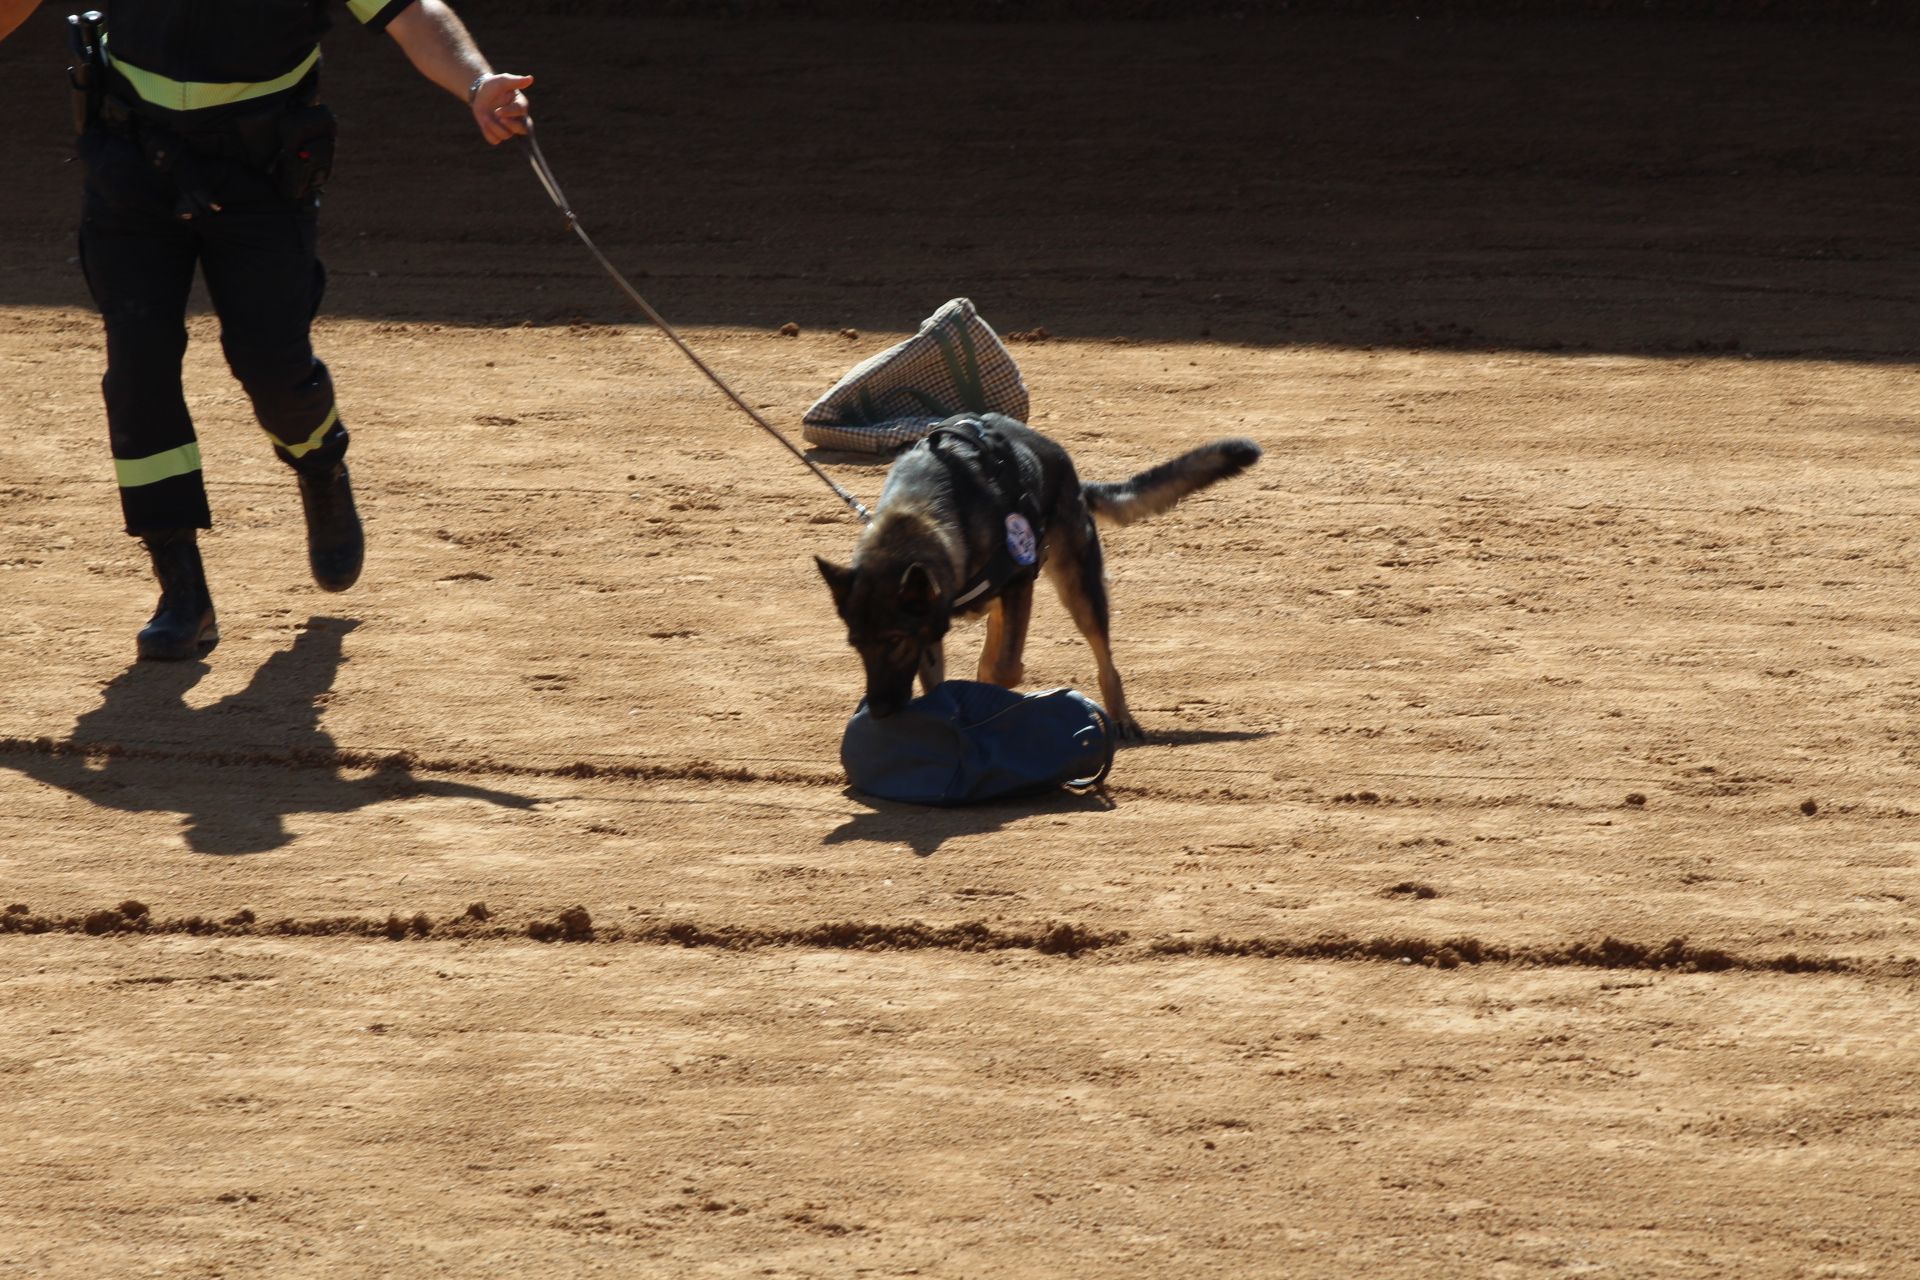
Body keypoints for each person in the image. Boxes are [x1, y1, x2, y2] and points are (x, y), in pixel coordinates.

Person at [0, 0, 532, 660]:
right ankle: (181, 593)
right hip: (132, 162)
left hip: (260, 174)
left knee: (271, 364)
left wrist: (479, 84)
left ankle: (319, 464)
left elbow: (413, 14)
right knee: (138, 373)